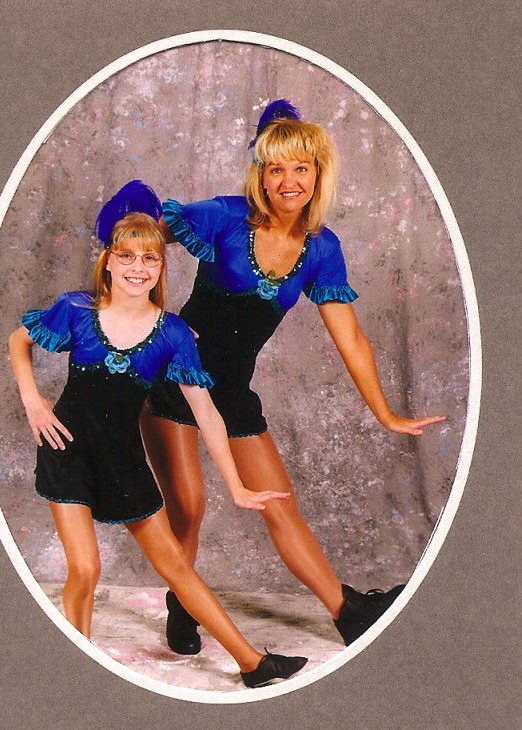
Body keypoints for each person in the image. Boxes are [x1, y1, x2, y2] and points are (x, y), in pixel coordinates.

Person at [141, 101, 446, 651]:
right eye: (276, 168)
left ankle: (347, 612)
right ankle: (182, 601)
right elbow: (137, 246)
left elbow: (350, 337)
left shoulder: (321, 249)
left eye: (301, 168)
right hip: (172, 377)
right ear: (260, 174)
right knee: (189, 507)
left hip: (231, 392)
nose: (289, 181)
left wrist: (384, 412)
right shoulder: (223, 216)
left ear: (318, 175)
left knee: (280, 502)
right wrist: (130, 324)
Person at [8, 180, 307, 689]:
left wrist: (236, 486)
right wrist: (34, 402)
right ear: (108, 260)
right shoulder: (77, 311)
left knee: (177, 568)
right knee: (85, 568)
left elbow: (208, 414)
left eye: (150, 258)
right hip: (68, 452)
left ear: (161, 267)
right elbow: (19, 339)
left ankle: (253, 664)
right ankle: (77, 667)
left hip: (124, 462)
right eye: (126, 257)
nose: (137, 268)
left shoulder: (172, 334)